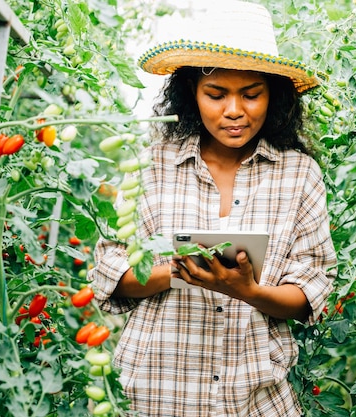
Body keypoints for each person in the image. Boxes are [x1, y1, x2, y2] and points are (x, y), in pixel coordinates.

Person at [88, 1, 337, 415]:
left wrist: (250, 292)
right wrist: (178, 272)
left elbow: (310, 288)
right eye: (216, 94)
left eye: (251, 94)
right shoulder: (148, 162)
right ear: (192, 92)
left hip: (256, 398)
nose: (234, 110)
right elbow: (111, 273)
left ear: (273, 95)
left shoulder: (299, 174)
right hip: (158, 392)